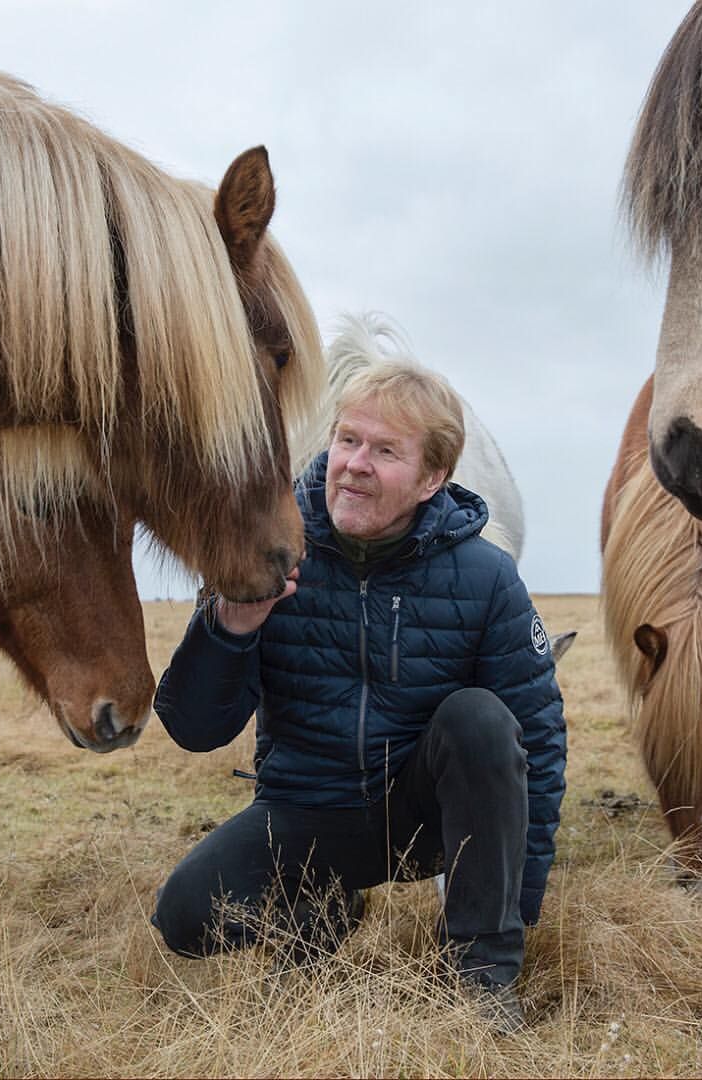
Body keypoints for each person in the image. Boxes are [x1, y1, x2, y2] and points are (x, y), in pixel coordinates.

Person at [150, 358, 566, 1032]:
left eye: (385, 451)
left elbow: (538, 744)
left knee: (482, 720)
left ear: (433, 478)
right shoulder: (274, 548)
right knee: (185, 919)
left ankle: (481, 979)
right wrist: (230, 627)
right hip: (303, 809)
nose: (355, 465)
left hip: (420, 817)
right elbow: (194, 727)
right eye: (347, 440)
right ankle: (321, 911)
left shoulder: (488, 579)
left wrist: (516, 906)